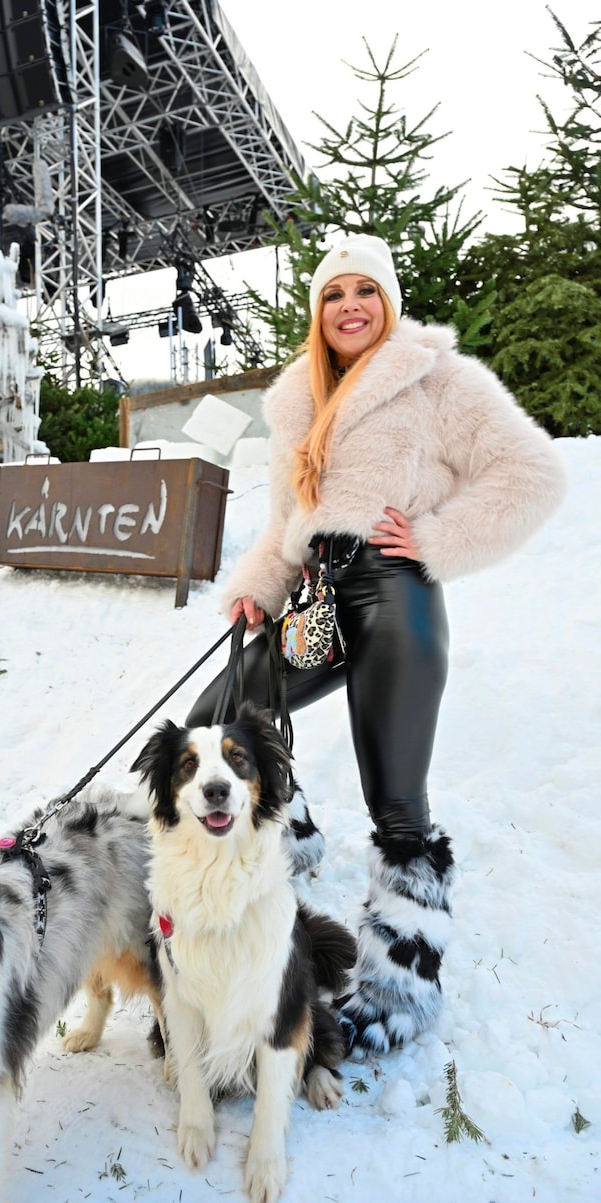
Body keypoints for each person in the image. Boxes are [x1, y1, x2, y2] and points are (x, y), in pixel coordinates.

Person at [186, 233, 566, 1058]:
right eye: (334, 294)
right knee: (217, 719)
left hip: (396, 594)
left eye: (366, 291)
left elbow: (532, 472)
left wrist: (433, 536)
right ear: (318, 311)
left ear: (387, 301)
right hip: (317, 595)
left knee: (396, 796)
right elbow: (285, 526)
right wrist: (259, 584)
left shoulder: (437, 376)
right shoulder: (298, 399)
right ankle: (275, 849)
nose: (350, 305)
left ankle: (400, 981)